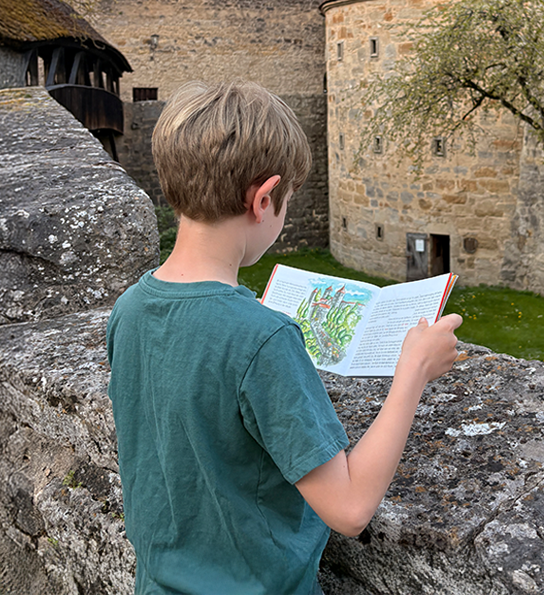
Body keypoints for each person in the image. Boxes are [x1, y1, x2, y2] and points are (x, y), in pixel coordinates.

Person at [106, 79, 462, 595]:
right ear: (264, 198)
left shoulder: (130, 309)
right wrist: (413, 370)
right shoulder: (262, 338)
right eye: (288, 199)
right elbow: (349, 508)